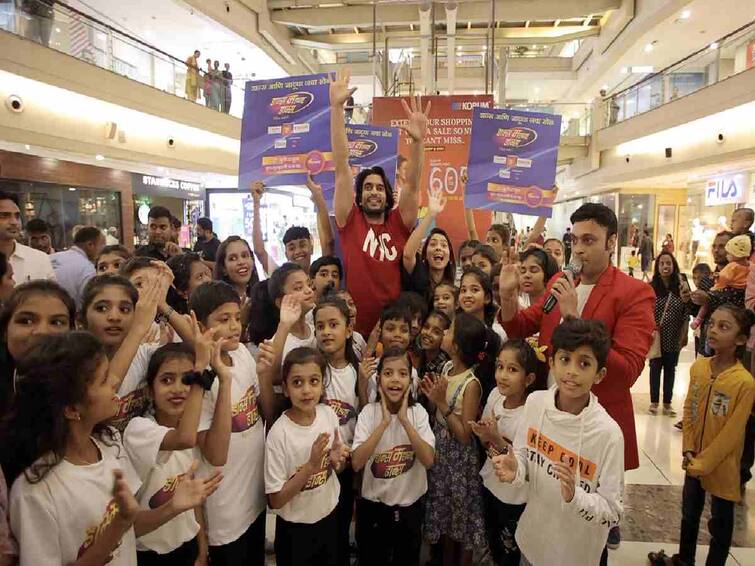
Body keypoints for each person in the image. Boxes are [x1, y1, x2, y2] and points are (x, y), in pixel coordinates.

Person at [3, 332, 221, 565]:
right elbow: (120, 528)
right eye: (105, 379)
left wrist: (172, 507)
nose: (116, 383)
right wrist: (114, 531)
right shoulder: (35, 493)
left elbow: (130, 527)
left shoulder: (109, 442)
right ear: (72, 409)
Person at [498, 202, 655, 477]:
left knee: (589, 510)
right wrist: (508, 297)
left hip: (595, 423)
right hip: (550, 412)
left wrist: (574, 319)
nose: (579, 249)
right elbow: (521, 326)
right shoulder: (562, 279)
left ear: (611, 242)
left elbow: (627, 371)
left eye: (589, 240)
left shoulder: (633, 293)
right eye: (575, 240)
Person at [493, 318, 624, 566]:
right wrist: (516, 469)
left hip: (574, 555)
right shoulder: (536, 403)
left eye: (584, 363)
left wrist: (576, 497)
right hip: (531, 541)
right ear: (552, 363)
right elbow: (523, 455)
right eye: (565, 360)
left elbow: (612, 512)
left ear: (599, 374)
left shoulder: (608, 434)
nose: (572, 371)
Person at [649, 304, 755, 566]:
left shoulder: (744, 382)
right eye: (712, 324)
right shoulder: (699, 368)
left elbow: (732, 433)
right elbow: (690, 409)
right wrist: (688, 448)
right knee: (689, 513)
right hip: (692, 456)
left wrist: (705, 463)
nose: (713, 330)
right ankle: (684, 559)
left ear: (741, 339)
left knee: (720, 521)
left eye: (724, 327)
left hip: (723, 464)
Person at [331, 70, 428, 336]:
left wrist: (418, 143)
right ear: (359, 197)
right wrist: (337, 109)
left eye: (379, 188)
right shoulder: (350, 222)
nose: (374, 192)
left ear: (387, 195)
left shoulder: (399, 223)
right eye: (367, 188)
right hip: (357, 333)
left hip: (394, 331)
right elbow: (341, 168)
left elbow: (412, 184)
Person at [191, 281, 274, 565]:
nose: (234, 326)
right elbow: (215, 455)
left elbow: (265, 415)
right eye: (223, 320)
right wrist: (223, 379)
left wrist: (263, 374)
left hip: (254, 496)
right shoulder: (198, 378)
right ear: (202, 327)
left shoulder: (242, 354)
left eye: (237, 318)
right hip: (225, 512)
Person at [123, 339, 222, 564]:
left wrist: (201, 545)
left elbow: (190, 497)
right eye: (167, 380)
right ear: (150, 391)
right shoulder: (139, 430)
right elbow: (130, 529)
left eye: (187, 380)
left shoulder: (188, 425)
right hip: (148, 553)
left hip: (186, 546)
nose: (178, 389)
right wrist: (199, 376)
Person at [420, 312, 496, 566]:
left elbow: (465, 435)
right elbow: (437, 413)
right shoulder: (446, 367)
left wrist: (442, 404)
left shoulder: (471, 384)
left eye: (449, 329)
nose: (445, 331)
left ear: (456, 345)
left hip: (459, 462)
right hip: (441, 452)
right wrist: (433, 399)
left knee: (461, 522)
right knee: (445, 516)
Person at [265, 347, 349, 566]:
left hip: (329, 517)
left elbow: (335, 468)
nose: (306, 390)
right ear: (285, 388)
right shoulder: (279, 434)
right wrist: (311, 465)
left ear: (322, 385)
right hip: (295, 531)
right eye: (297, 383)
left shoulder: (328, 415)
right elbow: (275, 500)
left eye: (313, 381)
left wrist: (337, 460)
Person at [352, 347, 435, 566]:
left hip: (410, 509)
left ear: (411, 380)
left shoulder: (418, 414)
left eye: (402, 373)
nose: (395, 380)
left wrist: (405, 421)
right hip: (374, 508)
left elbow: (428, 460)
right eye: (388, 373)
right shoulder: (369, 413)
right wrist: (384, 423)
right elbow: (357, 462)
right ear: (378, 380)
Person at [471, 339, 548, 566]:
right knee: (494, 541)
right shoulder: (495, 395)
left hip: (514, 497)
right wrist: (483, 435)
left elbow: (525, 462)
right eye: (500, 366)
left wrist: (495, 437)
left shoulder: (531, 413)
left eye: (512, 370)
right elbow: (488, 443)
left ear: (529, 379)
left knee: (511, 548)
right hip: (490, 485)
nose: (502, 375)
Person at [313, 295, 362, 566]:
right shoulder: (314, 371)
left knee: (342, 525)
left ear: (349, 329)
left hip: (348, 463)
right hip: (319, 464)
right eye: (320, 326)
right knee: (323, 529)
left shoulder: (357, 372)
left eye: (333, 324)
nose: (327, 331)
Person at [0, 280, 75, 416]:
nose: (42, 332)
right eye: (26, 321)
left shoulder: (86, 389)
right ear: (5, 331)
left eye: (56, 322)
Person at [251, 176, 333, 276]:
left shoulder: (321, 275)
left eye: (302, 245)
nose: (298, 251)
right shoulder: (281, 279)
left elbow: (329, 242)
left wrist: (319, 198)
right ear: (286, 254)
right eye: (291, 248)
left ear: (311, 248)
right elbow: (259, 251)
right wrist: (256, 202)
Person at [648, 251, 691, 417]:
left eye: (668, 263)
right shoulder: (652, 287)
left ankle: (667, 403)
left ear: (674, 266)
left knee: (670, 370)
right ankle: (653, 402)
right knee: (655, 369)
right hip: (656, 337)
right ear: (657, 267)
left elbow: (687, 311)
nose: (665, 266)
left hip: (674, 336)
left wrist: (685, 332)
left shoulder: (681, 286)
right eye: (662, 264)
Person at [401, 188, 455, 301]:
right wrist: (430, 214)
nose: (438, 248)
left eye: (444, 245)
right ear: (425, 254)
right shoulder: (418, 275)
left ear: (450, 256)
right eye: (433, 244)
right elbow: (407, 254)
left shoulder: (454, 289)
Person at [0, 191, 56, 284]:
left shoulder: (40, 259)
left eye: (17, 216)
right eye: (4, 216)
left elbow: (52, 296)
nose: (14, 222)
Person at [50, 226, 106, 309]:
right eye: (102, 245)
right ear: (90, 245)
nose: (103, 251)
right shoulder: (87, 269)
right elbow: (88, 304)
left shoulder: (50, 257)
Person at [213, 235, 259, 302]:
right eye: (233, 258)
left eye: (244, 256)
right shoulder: (219, 304)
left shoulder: (261, 299)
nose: (241, 262)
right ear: (223, 268)